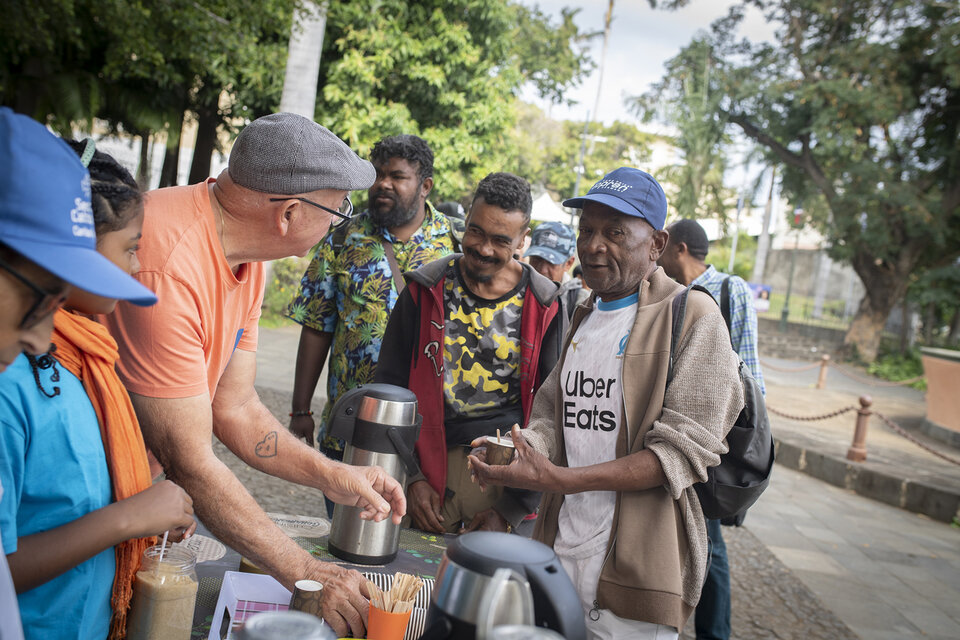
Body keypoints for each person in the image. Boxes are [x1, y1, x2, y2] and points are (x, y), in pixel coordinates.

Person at [101, 112, 405, 638]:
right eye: (338, 208)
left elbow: (235, 407)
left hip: (143, 496)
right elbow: (190, 461)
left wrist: (335, 475)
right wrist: (307, 573)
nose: (341, 220)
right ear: (288, 212)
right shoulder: (166, 266)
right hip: (98, 502)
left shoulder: (249, 253)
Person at [469, 167, 743, 639]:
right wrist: (520, 448)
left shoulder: (694, 317)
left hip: (633, 576)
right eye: (587, 230)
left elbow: (679, 453)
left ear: (656, 244)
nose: (594, 245)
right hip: (560, 559)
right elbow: (555, 413)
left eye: (615, 232)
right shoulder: (586, 312)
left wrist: (563, 480)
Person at [0, 138, 197, 640]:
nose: (41, 338)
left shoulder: (89, 357)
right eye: (40, 298)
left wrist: (141, 514)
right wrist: (126, 518)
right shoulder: (11, 386)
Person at [375, 172, 565, 535]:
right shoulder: (425, 290)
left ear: (524, 239)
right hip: (428, 474)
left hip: (509, 482)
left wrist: (509, 509)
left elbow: (553, 411)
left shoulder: (546, 305)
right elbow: (389, 387)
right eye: (475, 231)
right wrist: (411, 477)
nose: (484, 248)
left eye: (500, 240)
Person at [286, 136, 456, 486]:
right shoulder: (341, 238)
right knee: (347, 533)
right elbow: (317, 326)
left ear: (425, 186)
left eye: (397, 176)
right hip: (353, 427)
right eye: (377, 174)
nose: (383, 184)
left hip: (427, 437)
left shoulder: (454, 245)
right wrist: (301, 409)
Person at [657, 218, 766, 640]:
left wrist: (730, 437)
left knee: (711, 543)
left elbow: (750, 370)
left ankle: (714, 632)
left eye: (666, 245)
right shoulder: (672, 292)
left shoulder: (729, 289)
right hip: (674, 426)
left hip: (714, 436)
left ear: (680, 248)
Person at [525, 221, 589, 320]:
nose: (542, 270)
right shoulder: (515, 288)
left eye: (551, 262)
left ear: (568, 263)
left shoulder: (579, 300)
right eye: (536, 259)